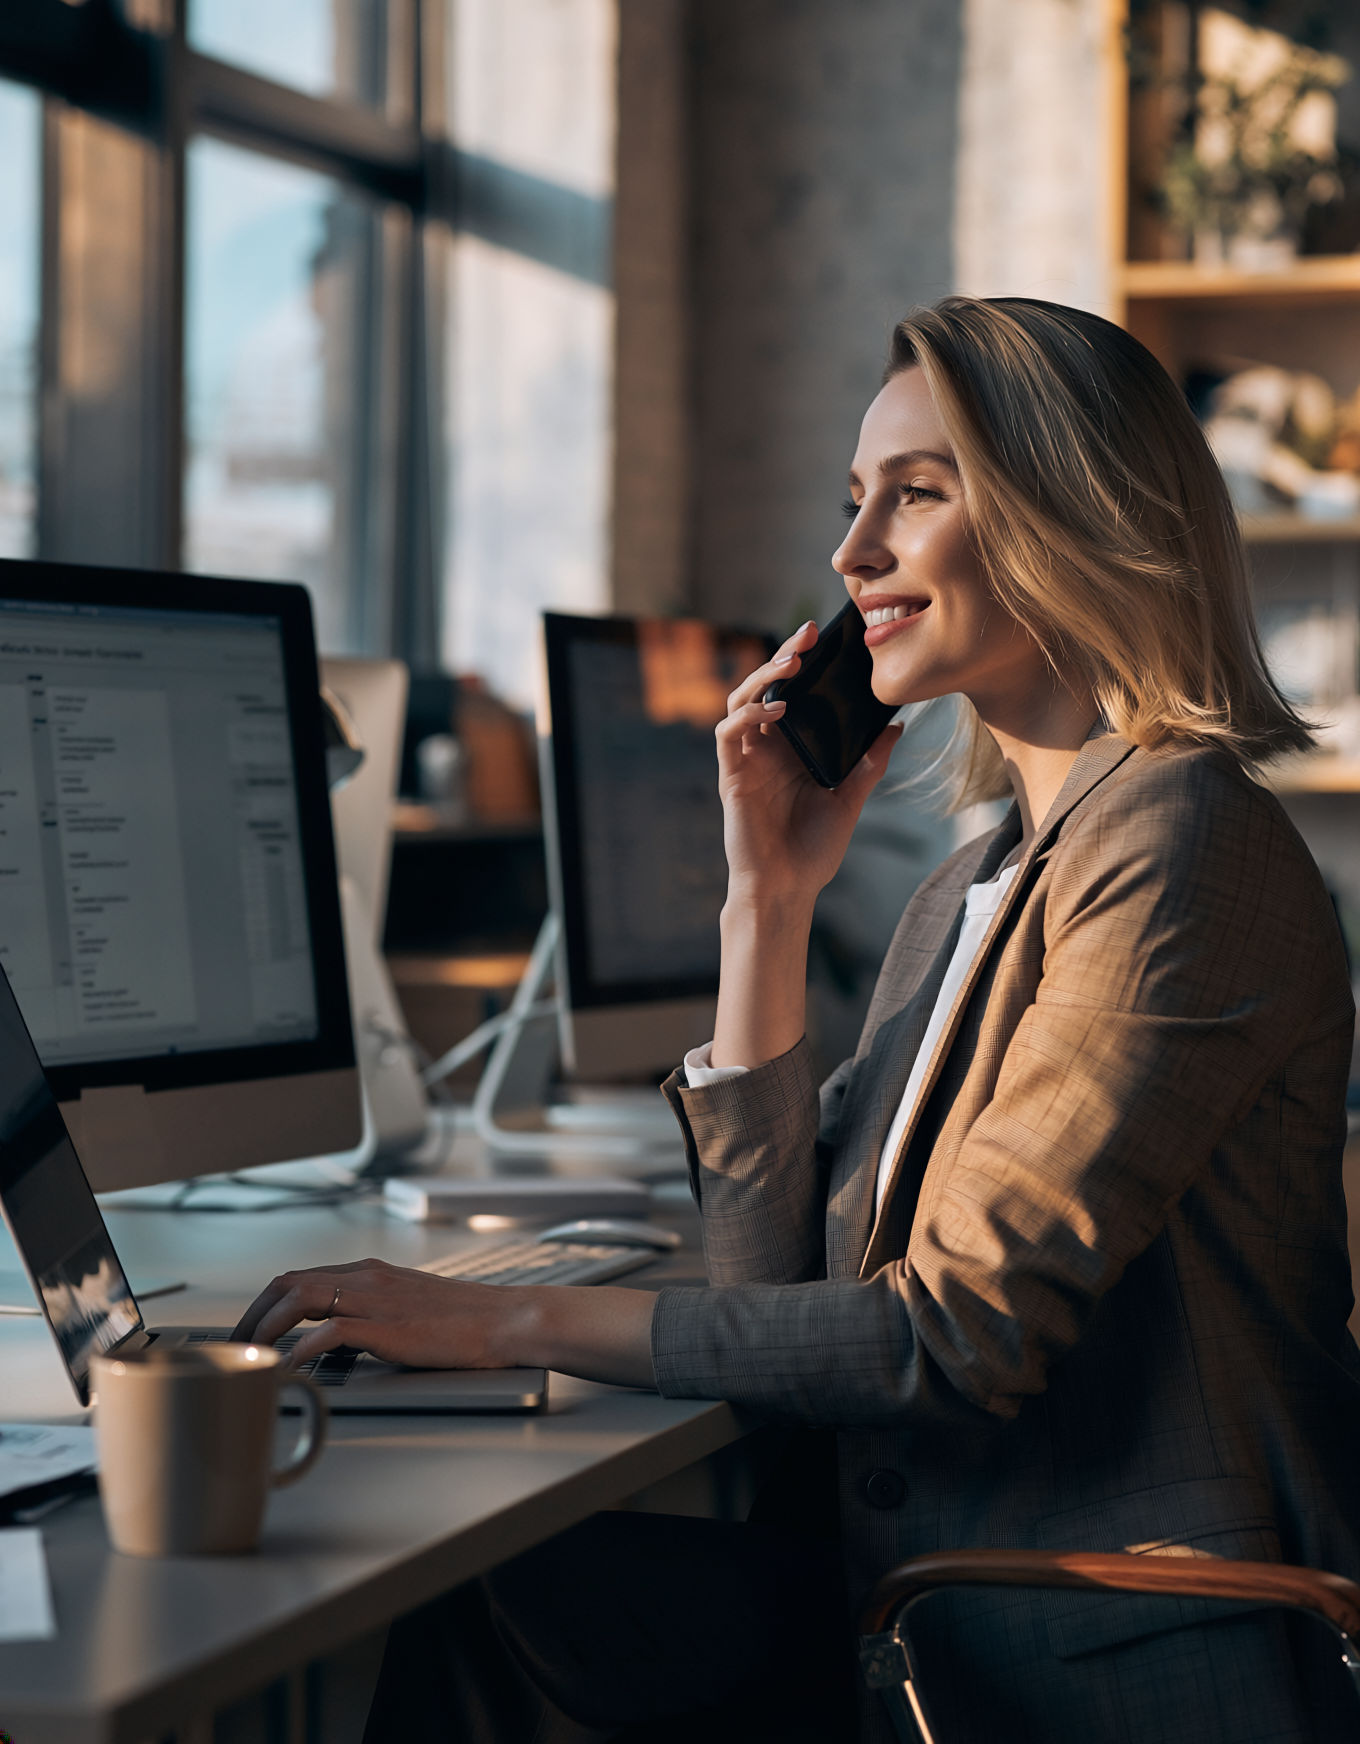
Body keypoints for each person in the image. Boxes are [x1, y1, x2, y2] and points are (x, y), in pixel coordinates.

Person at [234, 297, 1360, 1743]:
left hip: (1092, 1637)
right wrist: (764, 900)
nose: (851, 556)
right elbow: (769, 1282)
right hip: (936, 1582)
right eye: (853, 501)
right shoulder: (977, 884)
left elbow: (953, 1337)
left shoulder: (1180, 841)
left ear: (1071, 511)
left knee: (470, 1613)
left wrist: (499, 1316)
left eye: (915, 494)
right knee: (474, 1591)